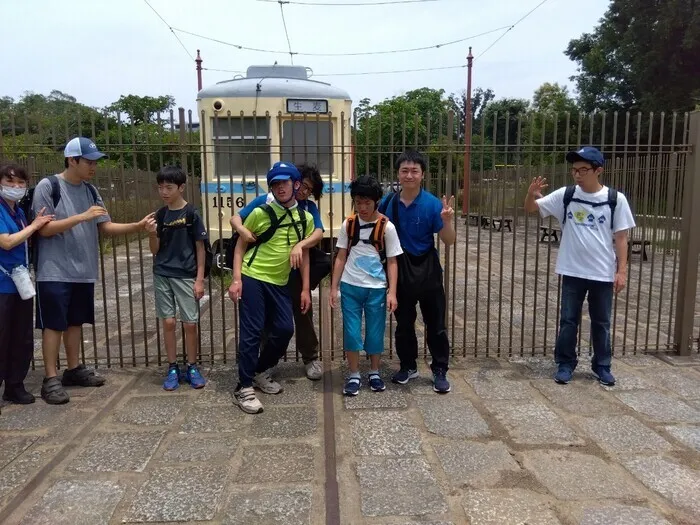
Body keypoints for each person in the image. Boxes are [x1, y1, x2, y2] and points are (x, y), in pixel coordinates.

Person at [32, 137, 154, 405]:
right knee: (53, 324)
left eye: (95, 162)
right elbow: (43, 229)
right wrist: (81, 217)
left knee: (75, 322)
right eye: (88, 161)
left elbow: (105, 226)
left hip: (83, 269)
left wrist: (137, 226)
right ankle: (50, 378)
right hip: (53, 270)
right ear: (71, 160)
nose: (93, 166)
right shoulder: (48, 186)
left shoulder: (90, 190)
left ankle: (73, 369)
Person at [524, 146, 635, 386]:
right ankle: (565, 363)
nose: (577, 174)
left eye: (583, 169)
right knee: (568, 320)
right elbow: (533, 208)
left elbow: (621, 238)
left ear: (598, 171)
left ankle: (602, 365)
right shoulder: (567, 195)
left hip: (602, 273)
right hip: (572, 270)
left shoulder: (615, 199)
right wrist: (531, 194)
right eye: (574, 169)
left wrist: (622, 271)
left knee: (602, 322)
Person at [228, 161, 314, 414]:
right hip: (253, 276)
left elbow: (305, 256)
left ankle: (256, 371)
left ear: (296, 184)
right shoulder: (260, 213)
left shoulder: (305, 218)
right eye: (275, 183)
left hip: (280, 282)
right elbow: (240, 246)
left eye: (285, 182)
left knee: (285, 329)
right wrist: (236, 279)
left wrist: (305, 289)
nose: (280, 187)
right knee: (252, 331)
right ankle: (243, 387)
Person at [378, 149, 456, 394]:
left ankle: (440, 369)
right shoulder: (387, 203)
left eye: (414, 171)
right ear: (398, 174)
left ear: (423, 175)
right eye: (404, 171)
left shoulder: (433, 204)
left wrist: (446, 221)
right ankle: (408, 366)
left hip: (428, 269)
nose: (409, 175)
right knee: (403, 323)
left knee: (436, 323)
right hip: (400, 268)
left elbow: (449, 241)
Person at [329, 175, 401, 395]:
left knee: (375, 332)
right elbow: (340, 256)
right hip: (350, 286)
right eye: (358, 202)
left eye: (367, 203)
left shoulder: (387, 227)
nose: (362, 207)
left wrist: (392, 292)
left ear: (376, 201)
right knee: (351, 332)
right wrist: (333, 287)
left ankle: (374, 371)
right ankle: (353, 374)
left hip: (376, 288)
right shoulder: (349, 224)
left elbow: (392, 261)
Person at [144, 165, 207, 391]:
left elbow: (201, 249)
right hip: (162, 273)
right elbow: (155, 249)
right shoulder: (160, 215)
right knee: (168, 322)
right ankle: (172, 367)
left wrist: (199, 279)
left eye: (169, 187)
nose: (164, 192)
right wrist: (152, 234)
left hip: (186, 275)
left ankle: (192, 366)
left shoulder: (191, 214)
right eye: (160, 187)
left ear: (181, 187)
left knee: (190, 323)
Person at [0, 164, 54, 412]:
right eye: (10, 183)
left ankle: (15, 385)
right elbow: (7, 242)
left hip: (20, 283)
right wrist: (34, 226)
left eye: (21, 183)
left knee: (21, 337)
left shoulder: (18, 211)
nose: (16, 188)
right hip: (2, 285)